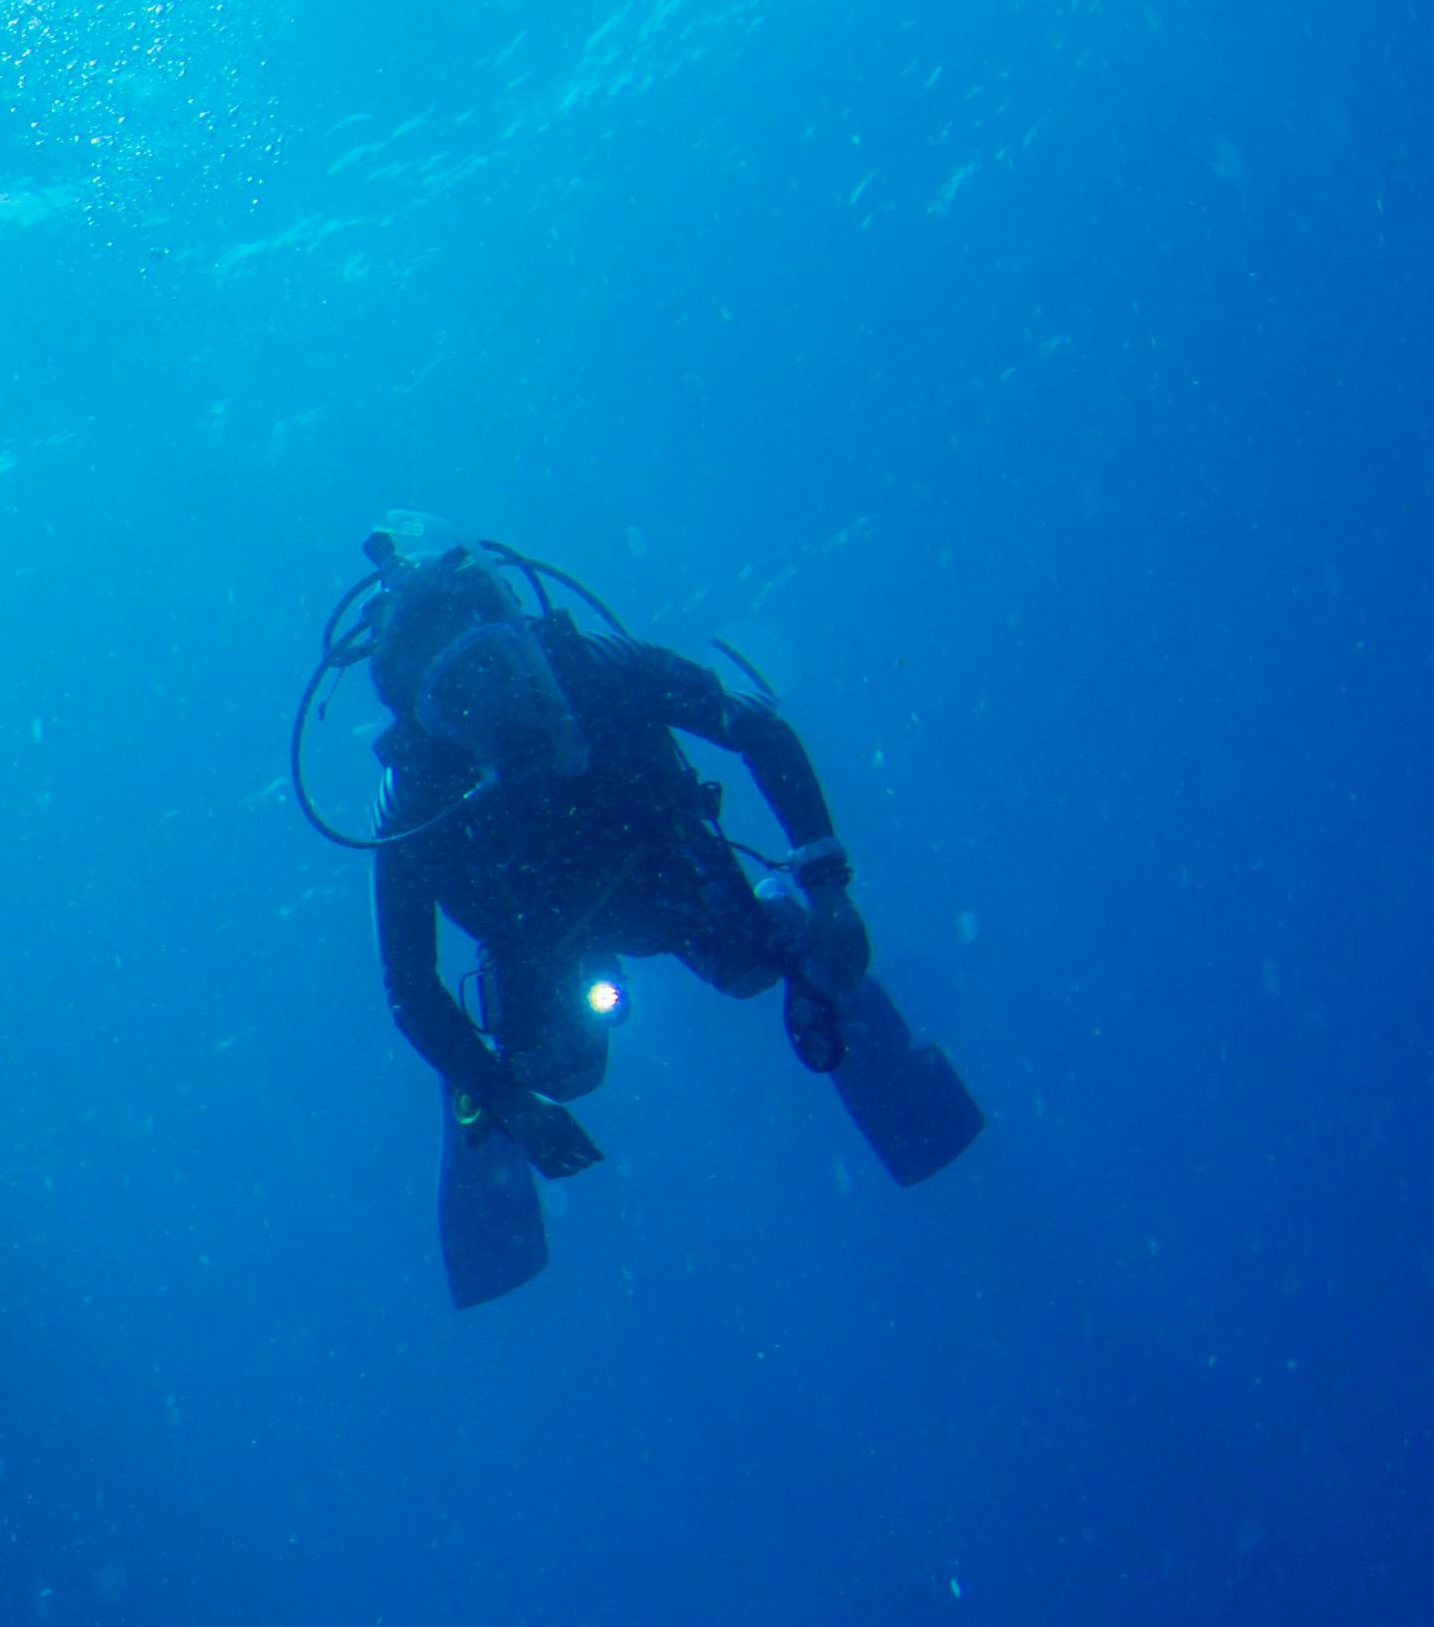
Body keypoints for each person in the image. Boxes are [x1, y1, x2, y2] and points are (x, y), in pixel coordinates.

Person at [313, 536, 982, 1304]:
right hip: (542, 942)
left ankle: (799, 939)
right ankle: (481, 1086)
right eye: (459, 696)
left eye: (497, 662)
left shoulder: (598, 672)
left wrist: (827, 888)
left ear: (525, 636)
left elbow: (756, 729)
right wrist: (506, 1098)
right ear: (428, 725)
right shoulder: (416, 799)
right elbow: (408, 983)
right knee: (565, 1070)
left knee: (754, 968)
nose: (497, 704)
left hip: (664, 879)